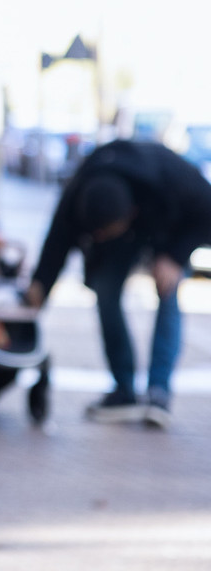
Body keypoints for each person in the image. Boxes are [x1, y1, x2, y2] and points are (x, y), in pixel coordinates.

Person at [26, 139, 211, 429]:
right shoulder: (79, 192)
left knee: (168, 290)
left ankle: (158, 392)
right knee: (105, 289)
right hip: (122, 229)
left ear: (130, 214)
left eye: (105, 231)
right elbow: (57, 241)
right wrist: (39, 288)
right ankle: (124, 390)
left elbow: (207, 212)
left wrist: (174, 257)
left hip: (167, 227)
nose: (99, 236)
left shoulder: (173, 178)